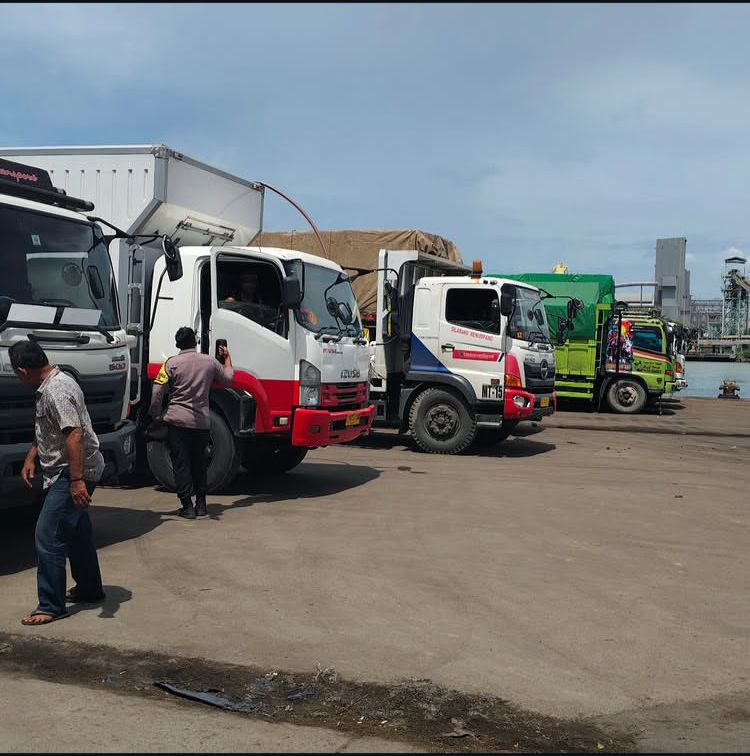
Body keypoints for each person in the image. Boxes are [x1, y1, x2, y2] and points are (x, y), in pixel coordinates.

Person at [9, 339, 106, 626]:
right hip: (68, 469)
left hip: (72, 471)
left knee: (48, 534)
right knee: (76, 531)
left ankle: (51, 605)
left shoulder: (57, 390)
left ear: (23, 370)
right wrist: (32, 456)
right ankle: (89, 587)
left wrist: (76, 481)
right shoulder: (51, 383)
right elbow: (49, 427)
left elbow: (74, 434)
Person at [149, 327, 234, 519]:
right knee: (199, 463)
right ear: (195, 342)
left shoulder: (170, 364)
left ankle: (187, 506)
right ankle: (201, 505)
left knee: (181, 465)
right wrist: (227, 358)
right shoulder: (210, 362)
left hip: (177, 423)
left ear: (177, 344)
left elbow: (157, 391)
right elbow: (228, 380)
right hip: (201, 423)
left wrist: (155, 414)